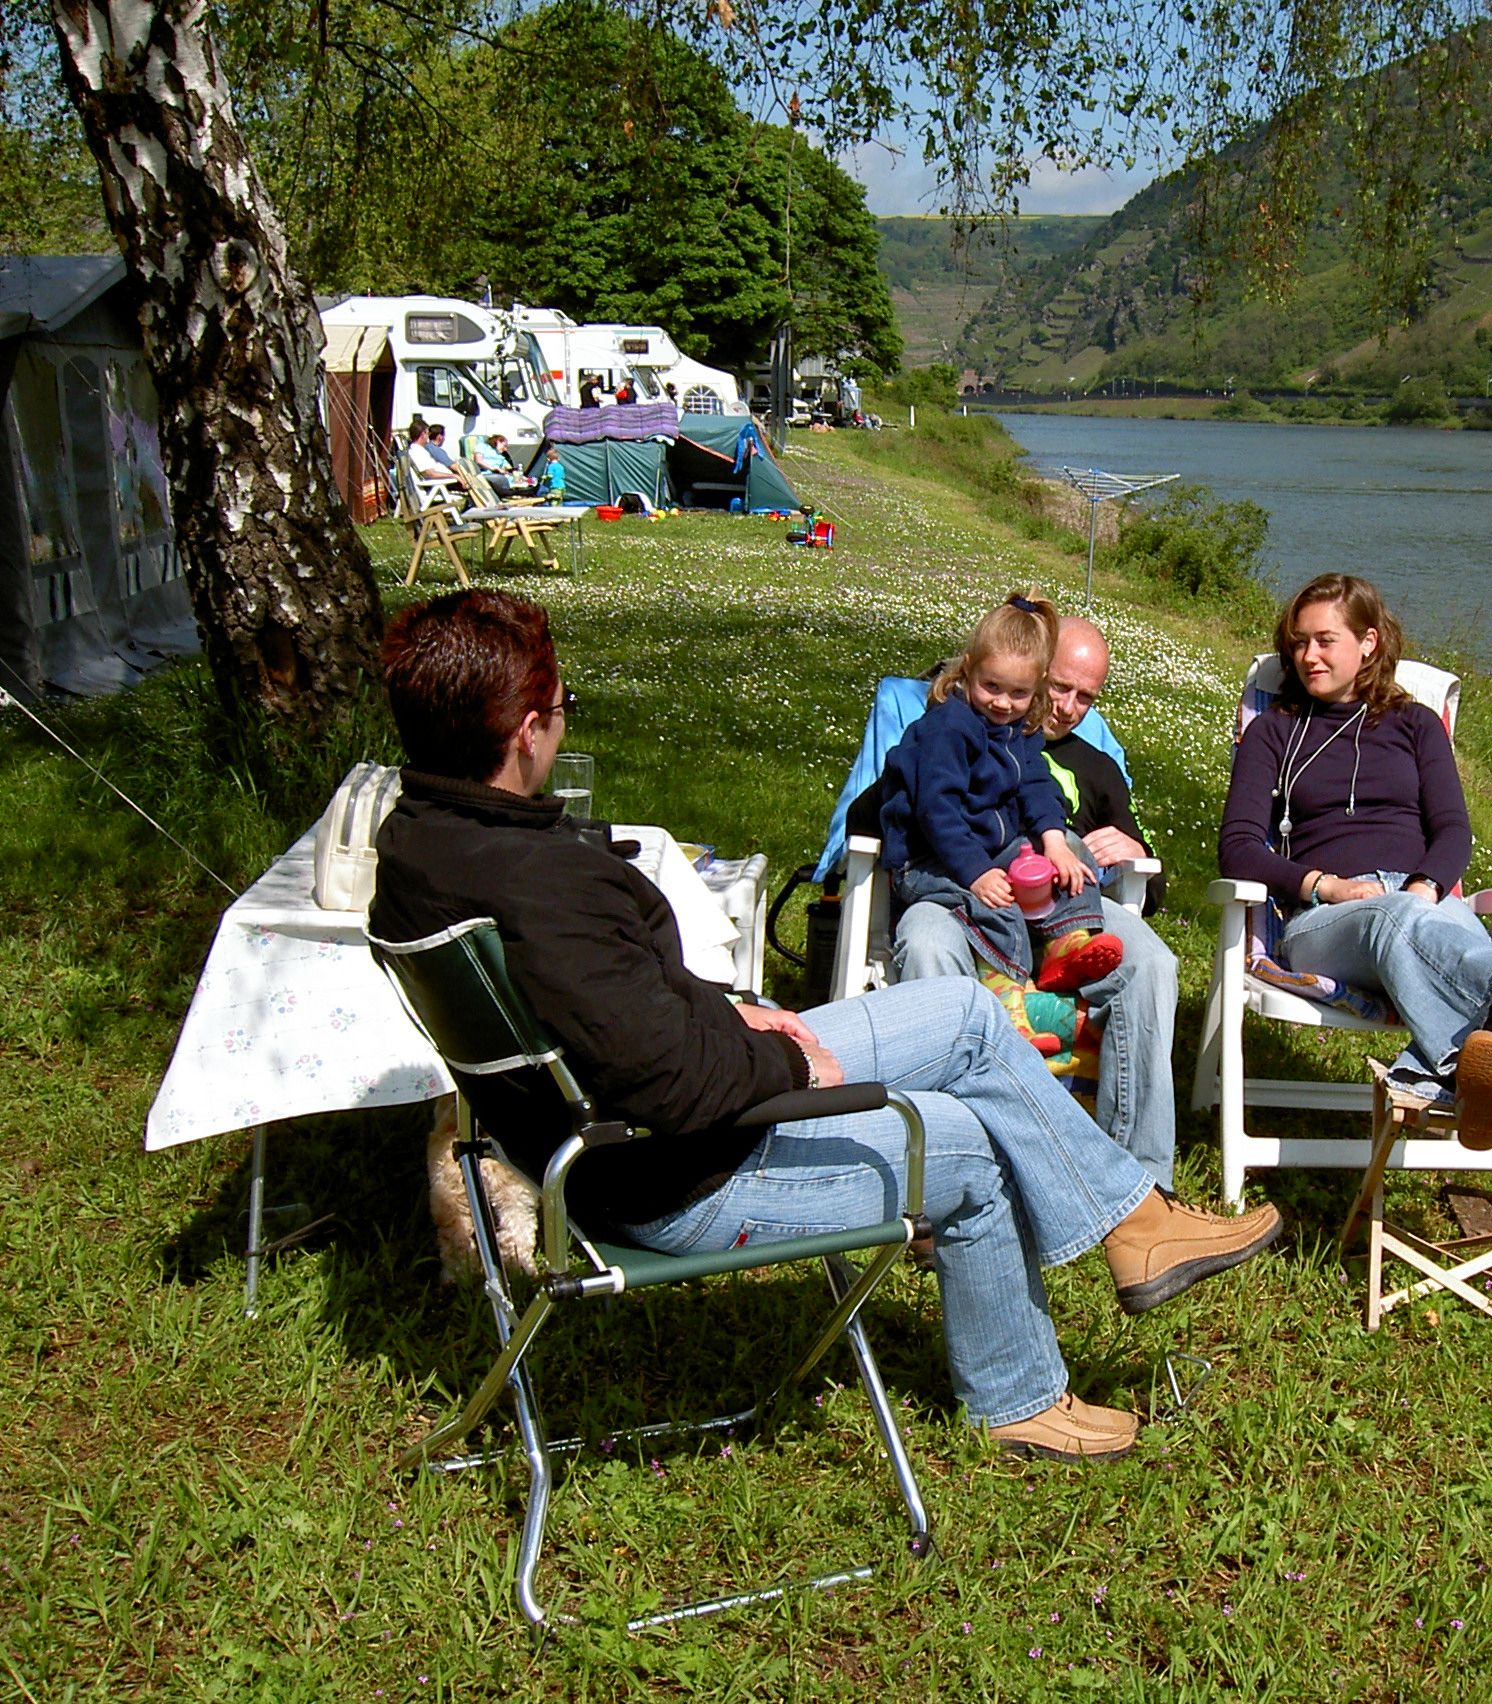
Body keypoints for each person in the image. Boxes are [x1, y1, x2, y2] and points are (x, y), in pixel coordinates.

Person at [369, 589, 1282, 1463]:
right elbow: (668, 1081)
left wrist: (735, 1010)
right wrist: (785, 1061)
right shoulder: (541, 883)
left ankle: (1135, 1221)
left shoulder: (419, 841)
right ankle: (1021, 1396)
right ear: (528, 731)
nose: (567, 717)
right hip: (678, 1169)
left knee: (968, 1014)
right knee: (964, 1142)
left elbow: (620, 1015)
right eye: (562, 702)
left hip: (648, 1113)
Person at [1218, 572, 1492, 1149]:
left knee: (1409, 919)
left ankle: (1447, 1074)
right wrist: (1324, 886)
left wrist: (1424, 886)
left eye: (1324, 640)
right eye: (1297, 642)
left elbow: (1453, 831)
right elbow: (1238, 846)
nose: (1307, 656)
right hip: (1326, 922)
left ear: (1368, 642)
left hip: (1424, 903)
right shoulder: (1274, 730)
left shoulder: (1415, 724)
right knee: (1396, 919)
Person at [895, 614, 1179, 1190]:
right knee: (927, 944)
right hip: (958, 881)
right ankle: (948, 1172)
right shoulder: (950, 729)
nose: (1068, 706)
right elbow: (916, 809)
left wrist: (1128, 846)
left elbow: (1150, 877)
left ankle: (1139, 1183)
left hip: (1055, 891)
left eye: (1085, 697)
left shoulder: (1090, 764)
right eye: (1058, 689)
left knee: (1153, 962)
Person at [879, 592, 1123, 1032]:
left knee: (1071, 852)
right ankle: (1011, 995)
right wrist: (976, 872)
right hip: (927, 859)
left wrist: (1052, 840)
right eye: (992, 686)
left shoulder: (1018, 728)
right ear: (969, 667)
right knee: (1000, 901)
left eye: (1019, 693)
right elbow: (936, 811)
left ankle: (1068, 942)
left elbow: (1035, 784)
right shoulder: (949, 728)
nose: (1003, 703)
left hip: (988, 849)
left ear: (1036, 689)